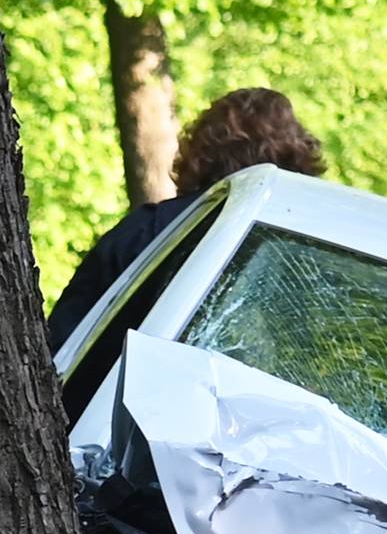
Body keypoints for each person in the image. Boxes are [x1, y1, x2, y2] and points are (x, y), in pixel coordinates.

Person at [45, 87, 327, 350]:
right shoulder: (307, 255)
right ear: (294, 159)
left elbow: (62, 343)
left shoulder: (150, 230)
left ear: (201, 151)